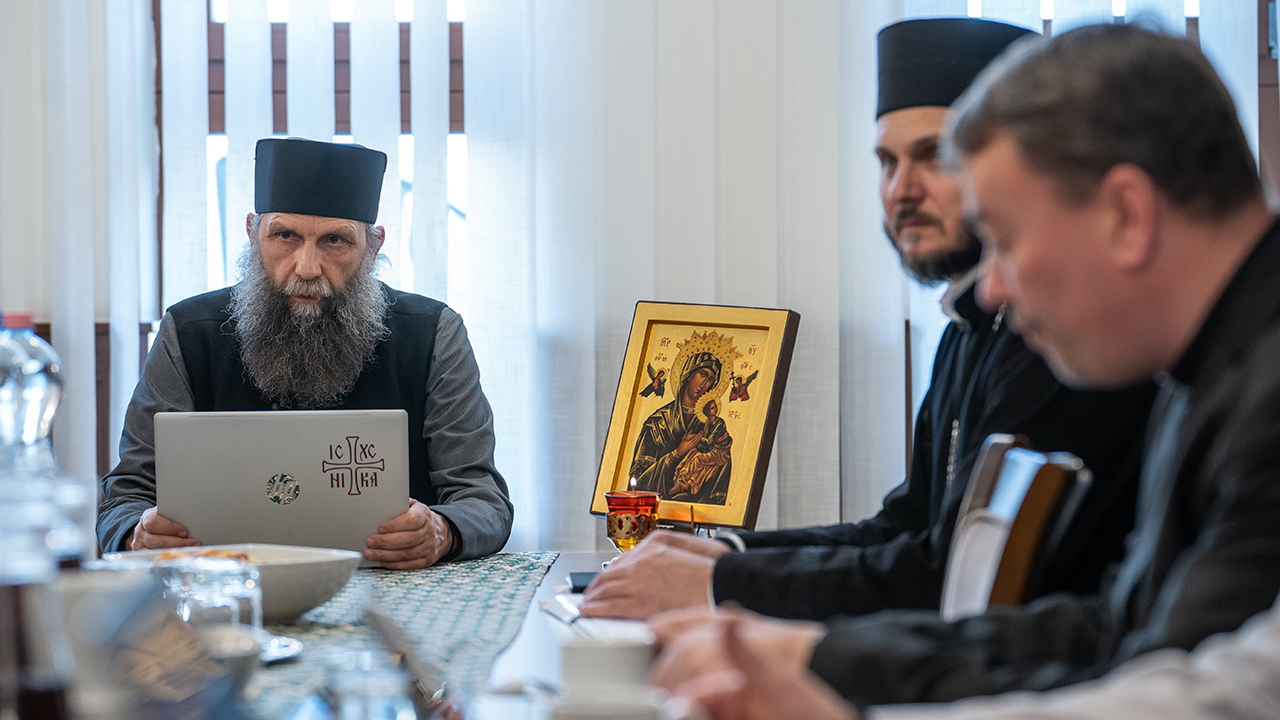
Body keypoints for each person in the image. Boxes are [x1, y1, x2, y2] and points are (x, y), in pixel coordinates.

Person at [650, 22, 1280, 709]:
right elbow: (1116, 628)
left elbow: (1182, 692)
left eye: (1005, 240)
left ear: (1127, 214)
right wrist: (820, 655)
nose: (990, 290)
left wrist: (825, 670)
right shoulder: (1198, 370)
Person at [581, 17, 1156, 622]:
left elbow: (946, 575)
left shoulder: (1060, 333)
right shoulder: (965, 327)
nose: (900, 190)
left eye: (935, 156)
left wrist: (721, 580)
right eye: (886, 162)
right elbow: (904, 525)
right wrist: (725, 551)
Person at [97, 138, 513, 569]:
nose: (308, 267)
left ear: (373, 248)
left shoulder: (432, 333)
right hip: (227, 595)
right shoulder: (187, 333)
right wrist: (137, 534)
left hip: (395, 596)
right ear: (252, 233)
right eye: (285, 236)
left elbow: (483, 501)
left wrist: (442, 531)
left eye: (335, 240)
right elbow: (125, 498)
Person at [632, 343, 734, 505]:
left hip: (698, 512)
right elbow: (637, 482)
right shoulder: (657, 424)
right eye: (702, 374)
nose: (704, 384)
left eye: (711, 380)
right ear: (688, 374)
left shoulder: (711, 424)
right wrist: (677, 454)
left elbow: (721, 470)